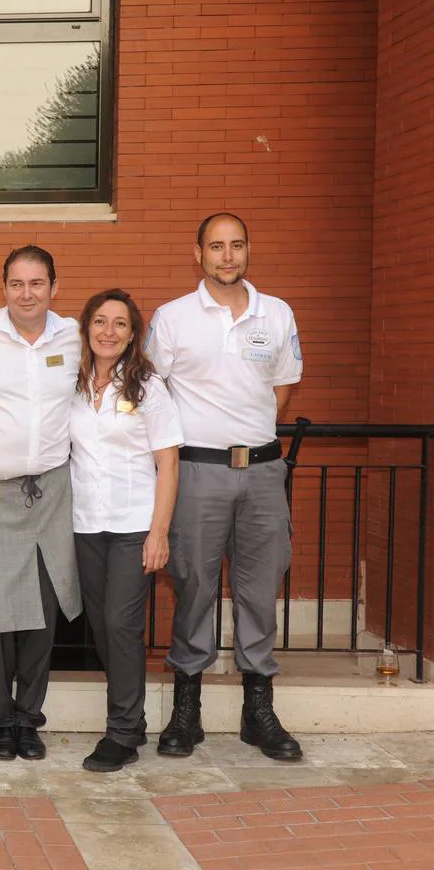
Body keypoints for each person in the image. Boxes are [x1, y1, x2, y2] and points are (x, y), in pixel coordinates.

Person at [146, 213, 304, 761]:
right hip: (198, 473)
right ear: (199, 254)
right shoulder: (172, 318)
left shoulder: (277, 313)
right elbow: (151, 390)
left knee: (260, 590)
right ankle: (185, 713)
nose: (227, 256)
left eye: (236, 245)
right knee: (193, 586)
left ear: (248, 250)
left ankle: (257, 712)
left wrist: (245, 437)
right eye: (216, 247)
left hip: (262, 473)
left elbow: (282, 391)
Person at [0, 245, 83, 762]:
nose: (27, 294)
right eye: (17, 284)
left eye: (37, 283)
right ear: (3, 287)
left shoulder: (73, 336)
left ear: (54, 286)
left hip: (50, 491)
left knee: (42, 613)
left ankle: (29, 718)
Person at [70, 289, 183, 772]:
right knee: (101, 626)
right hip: (85, 525)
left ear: (133, 333)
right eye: (100, 321)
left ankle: (123, 731)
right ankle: (128, 722)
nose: (108, 331)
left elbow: (169, 463)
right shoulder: (71, 385)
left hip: (134, 525)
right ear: (87, 329)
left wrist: (159, 532)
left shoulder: (148, 386)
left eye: (119, 323)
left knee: (121, 623)